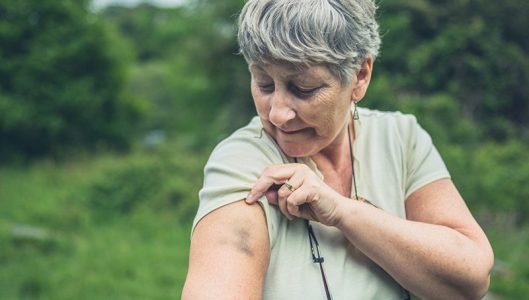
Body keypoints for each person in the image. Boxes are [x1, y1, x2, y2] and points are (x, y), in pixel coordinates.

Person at [182, 0, 494, 299]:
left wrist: (344, 212)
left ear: (360, 76)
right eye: (264, 84)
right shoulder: (242, 162)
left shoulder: (400, 137)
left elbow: (472, 279)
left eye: (303, 89)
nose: (277, 113)